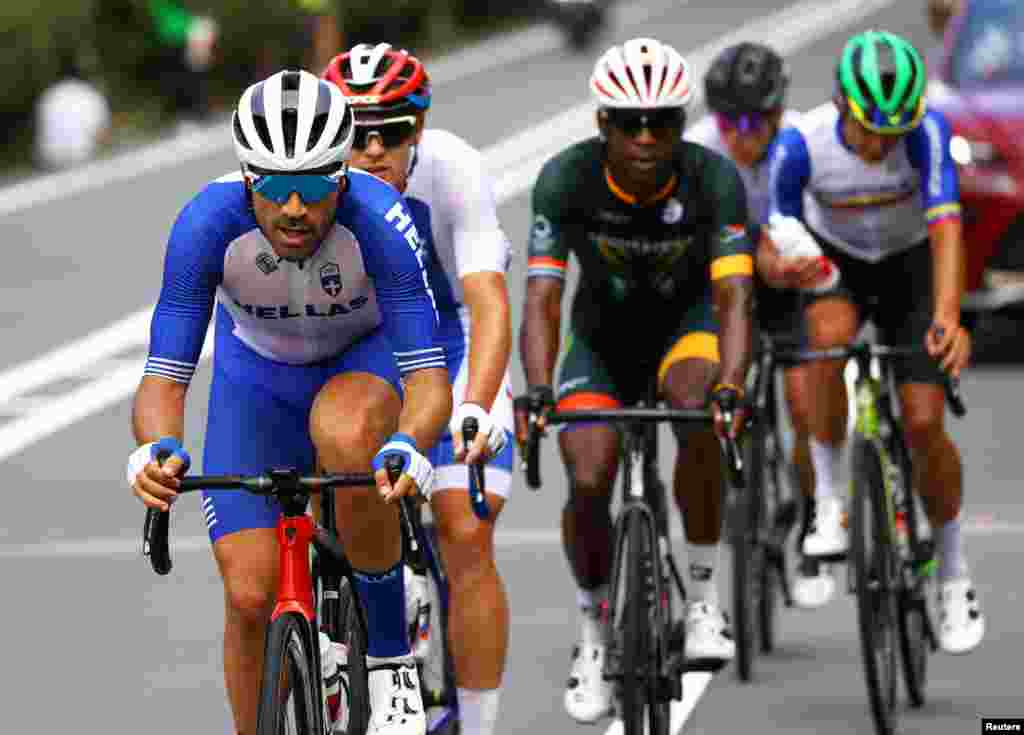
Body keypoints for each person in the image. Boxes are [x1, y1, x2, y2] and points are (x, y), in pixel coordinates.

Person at [127, 69, 452, 735]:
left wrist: (409, 443)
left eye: (312, 186)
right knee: (249, 596)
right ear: (248, 179)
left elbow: (428, 377)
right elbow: (164, 377)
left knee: (346, 430)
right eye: (275, 186)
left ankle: (390, 661)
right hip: (259, 383)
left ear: (342, 175)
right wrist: (156, 449)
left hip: (360, 365)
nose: (295, 208)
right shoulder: (203, 226)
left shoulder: (383, 225)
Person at [515, 37, 754, 723]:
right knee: (588, 474)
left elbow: (735, 298)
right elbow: (541, 298)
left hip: (689, 328)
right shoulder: (566, 179)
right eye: (629, 122)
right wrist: (535, 389)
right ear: (603, 125)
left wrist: (732, 386)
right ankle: (593, 632)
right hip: (603, 340)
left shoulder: (714, 179)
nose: (647, 137)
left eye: (664, 121)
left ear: (683, 122)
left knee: (697, 406)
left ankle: (705, 596)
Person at [767, 30, 985, 654]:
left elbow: (946, 227)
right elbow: (777, 224)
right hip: (837, 260)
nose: (884, 143)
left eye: (896, 130)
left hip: (910, 264)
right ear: (841, 106)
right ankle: (830, 498)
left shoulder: (928, 133)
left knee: (923, 421)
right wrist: (792, 264)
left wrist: (948, 316)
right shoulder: (800, 144)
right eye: (871, 130)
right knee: (829, 341)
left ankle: (952, 572)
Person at [324, 42, 515, 735]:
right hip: (364, 352)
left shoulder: (455, 170)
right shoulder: (309, 185)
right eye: (356, 133)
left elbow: (487, 301)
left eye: (393, 131)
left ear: (421, 130)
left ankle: (481, 723)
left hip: (453, 341)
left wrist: (475, 404)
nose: (373, 149)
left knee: (465, 529)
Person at [685, 41, 840, 608]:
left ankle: (804, 529)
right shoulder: (697, 150)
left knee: (805, 405)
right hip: (726, 282)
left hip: (790, 280)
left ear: (777, 114)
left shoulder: (804, 144)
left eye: (752, 121)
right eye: (728, 120)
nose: (738, 133)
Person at [34, 44, 111, 171]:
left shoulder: (48, 96)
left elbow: (41, 132)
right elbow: (102, 135)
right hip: (80, 157)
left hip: (49, 160)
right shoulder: (89, 94)